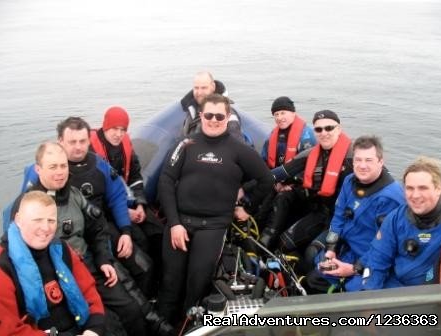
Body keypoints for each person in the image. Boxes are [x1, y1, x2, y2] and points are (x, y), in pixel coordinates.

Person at [157, 94, 274, 325]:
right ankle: (163, 327)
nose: (213, 120)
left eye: (219, 116)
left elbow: (266, 180)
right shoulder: (186, 143)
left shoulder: (239, 149)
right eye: (208, 115)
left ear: (227, 117)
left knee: (197, 283)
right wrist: (175, 223)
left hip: (213, 227)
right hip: (179, 222)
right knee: (170, 282)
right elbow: (166, 180)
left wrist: (246, 206)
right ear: (201, 116)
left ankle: (188, 326)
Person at [12, 142, 149, 335]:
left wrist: (104, 259)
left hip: (91, 267)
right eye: (53, 167)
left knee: (131, 310)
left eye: (63, 166)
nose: (60, 172)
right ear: (38, 169)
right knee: (108, 327)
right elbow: (20, 255)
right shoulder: (26, 206)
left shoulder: (75, 195)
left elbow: (98, 228)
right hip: (58, 278)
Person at [304, 135, 405, 293]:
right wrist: (331, 247)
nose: (362, 165)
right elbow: (338, 217)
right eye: (358, 160)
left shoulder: (390, 198)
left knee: (350, 291)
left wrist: (353, 268)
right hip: (348, 248)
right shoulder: (350, 181)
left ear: (380, 162)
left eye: (368, 160)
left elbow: (385, 248)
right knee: (313, 272)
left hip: (373, 259)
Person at [0, 191, 105, 335]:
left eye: (51, 220)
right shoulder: (3, 265)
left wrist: (93, 328)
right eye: (37, 220)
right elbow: (8, 330)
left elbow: (88, 290)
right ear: (18, 220)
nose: (46, 228)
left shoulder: (62, 248)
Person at [90, 106, 164, 296]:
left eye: (123, 130)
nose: (118, 134)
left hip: (129, 204)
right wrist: (125, 211)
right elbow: (98, 196)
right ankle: (142, 287)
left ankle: (160, 281)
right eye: (114, 128)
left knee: (157, 231)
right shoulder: (91, 153)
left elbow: (135, 177)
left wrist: (140, 204)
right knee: (139, 244)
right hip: (109, 211)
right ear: (105, 126)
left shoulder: (126, 146)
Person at [262, 110, 354, 254]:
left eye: (329, 128)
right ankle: (265, 243)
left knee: (311, 253)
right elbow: (276, 174)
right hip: (320, 211)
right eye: (318, 129)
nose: (324, 133)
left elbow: (381, 180)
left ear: (339, 129)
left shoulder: (356, 158)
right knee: (283, 244)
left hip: (343, 219)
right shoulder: (311, 154)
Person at [362, 157, 441, 289]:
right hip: (394, 288)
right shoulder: (395, 219)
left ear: (438, 189)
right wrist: (368, 298)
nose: (415, 195)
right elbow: (377, 260)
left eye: (423, 188)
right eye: (410, 188)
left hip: (431, 295)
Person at [253, 96, 316, 249]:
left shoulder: (307, 137)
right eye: (276, 114)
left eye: (283, 113)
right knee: (264, 196)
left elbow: (311, 167)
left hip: (300, 185)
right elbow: (264, 163)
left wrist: (293, 184)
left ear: (293, 113)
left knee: (282, 199)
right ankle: (255, 229)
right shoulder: (272, 136)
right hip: (277, 180)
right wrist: (273, 182)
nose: (280, 117)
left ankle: (268, 239)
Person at [180, 71, 244, 141]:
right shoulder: (192, 109)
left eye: (204, 88)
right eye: (196, 88)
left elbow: (237, 145)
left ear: (213, 87)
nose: (199, 92)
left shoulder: (226, 114)